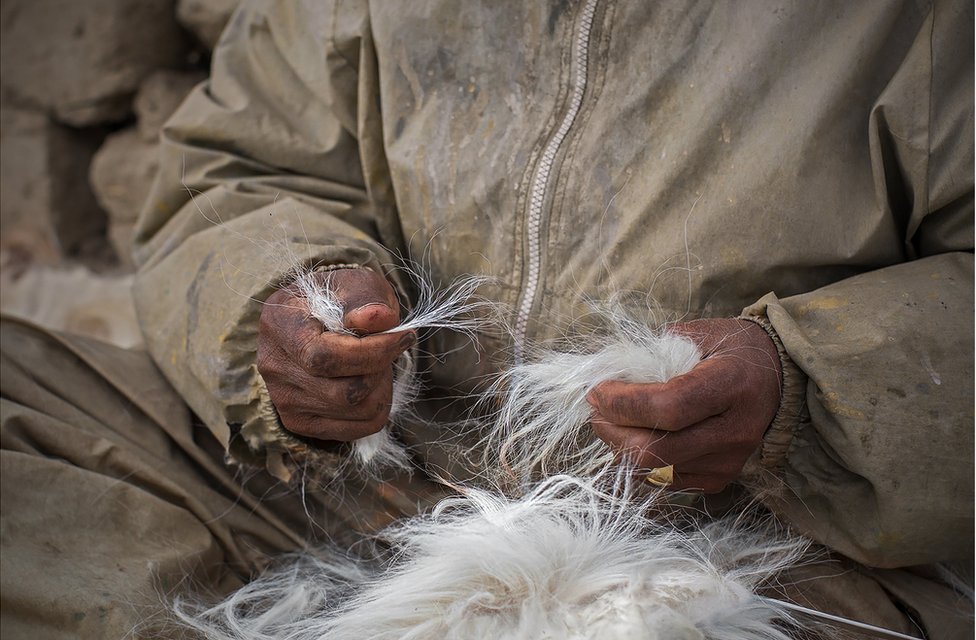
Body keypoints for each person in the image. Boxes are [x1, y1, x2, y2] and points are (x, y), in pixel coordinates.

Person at [1, 1, 972, 637]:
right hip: (350, 489)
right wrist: (289, 296)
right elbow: (240, 163)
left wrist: (805, 388)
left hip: (742, 548)